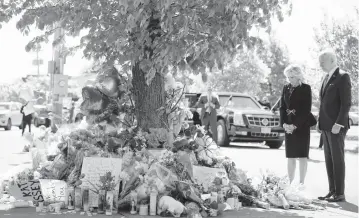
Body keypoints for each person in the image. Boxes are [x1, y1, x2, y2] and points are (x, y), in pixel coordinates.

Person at [317, 49, 351, 202]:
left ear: (332, 60)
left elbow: (346, 103)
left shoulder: (343, 77)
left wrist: (339, 123)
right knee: (329, 160)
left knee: (337, 159)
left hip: (336, 126)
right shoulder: (325, 77)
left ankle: (340, 193)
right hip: (325, 126)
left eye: (322, 62)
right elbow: (323, 103)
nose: (320, 65)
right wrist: (319, 122)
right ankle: (332, 191)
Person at [280, 65, 315, 184]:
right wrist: (284, 124)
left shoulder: (306, 88)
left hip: (302, 126)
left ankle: (301, 183)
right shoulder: (285, 88)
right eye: (288, 77)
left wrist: (295, 125)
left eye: (292, 77)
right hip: (288, 126)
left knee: (302, 156)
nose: (290, 80)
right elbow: (282, 107)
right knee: (290, 156)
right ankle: (290, 183)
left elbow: (306, 110)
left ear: (299, 76)